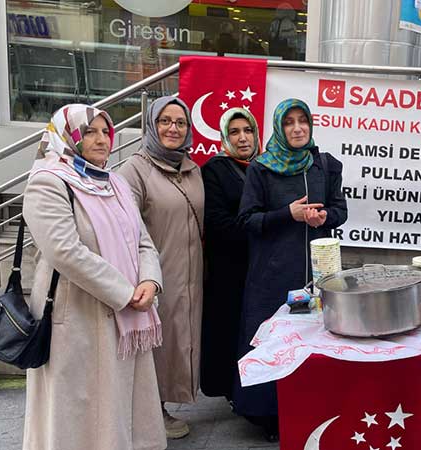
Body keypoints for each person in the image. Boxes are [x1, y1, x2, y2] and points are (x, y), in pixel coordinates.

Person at [22, 104, 165, 450]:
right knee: (77, 411)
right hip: (77, 317)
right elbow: (64, 251)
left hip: (125, 314)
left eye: (105, 132)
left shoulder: (114, 182)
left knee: (118, 406)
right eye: (89, 132)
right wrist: (125, 292)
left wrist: (150, 281)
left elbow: (142, 240)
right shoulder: (48, 181)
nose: (102, 140)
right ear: (68, 136)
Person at [233, 98, 348, 441]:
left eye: (303, 121)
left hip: (317, 275)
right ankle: (268, 417)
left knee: (314, 344)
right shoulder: (261, 168)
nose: (297, 128)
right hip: (273, 275)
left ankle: (312, 410)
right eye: (289, 122)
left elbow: (340, 210)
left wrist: (324, 217)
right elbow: (246, 221)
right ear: (279, 128)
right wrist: (289, 214)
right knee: (273, 344)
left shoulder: (325, 165)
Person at [118, 96, 204, 440]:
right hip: (154, 277)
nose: (173, 128)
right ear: (151, 125)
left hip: (191, 276)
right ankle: (147, 413)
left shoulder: (192, 169)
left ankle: (160, 406)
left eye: (180, 122)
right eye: (165, 121)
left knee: (177, 342)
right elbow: (125, 229)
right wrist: (144, 275)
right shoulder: (134, 170)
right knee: (154, 343)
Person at [200, 107, 260, 400]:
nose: (242, 138)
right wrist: (263, 227)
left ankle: (253, 391)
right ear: (224, 137)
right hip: (229, 270)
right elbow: (217, 223)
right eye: (234, 132)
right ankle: (232, 393)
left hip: (259, 268)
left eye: (248, 130)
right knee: (229, 331)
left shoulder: (264, 167)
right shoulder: (215, 170)